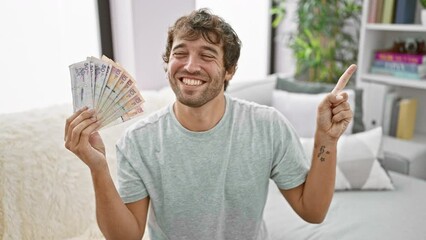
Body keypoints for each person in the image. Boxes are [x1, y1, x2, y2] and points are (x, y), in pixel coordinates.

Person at [64, 8, 356, 240]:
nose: (190, 65)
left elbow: (313, 211)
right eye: (180, 53)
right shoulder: (138, 141)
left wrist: (326, 140)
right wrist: (98, 168)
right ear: (168, 63)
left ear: (229, 70)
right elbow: (126, 237)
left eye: (207, 55)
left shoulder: (267, 126)